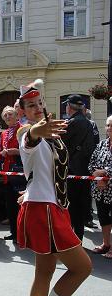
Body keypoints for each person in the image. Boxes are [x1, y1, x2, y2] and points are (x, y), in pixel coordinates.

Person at [16, 82, 92, 296]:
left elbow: (41, 171)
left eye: (39, 103)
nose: (37, 108)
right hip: (44, 209)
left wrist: (29, 188)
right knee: (83, 267)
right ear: (23, 111)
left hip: (51, 205)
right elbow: (30, 140)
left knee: (45, 270)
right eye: (30, 105)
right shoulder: (27, 132)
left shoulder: (54, 135)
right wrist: (37, 129)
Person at [61, 94, 95, 242]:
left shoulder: (71, 123)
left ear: (70, 107)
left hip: (72, 170)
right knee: (81, 207)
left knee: (72, 207)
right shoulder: (88, 123)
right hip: (84, 170)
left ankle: (73, 240)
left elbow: (61, 144)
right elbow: (90, 147)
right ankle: (78, 238)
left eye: (66, 105)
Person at [0, 106, 26, 243]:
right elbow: (2, 150)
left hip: (20, 172)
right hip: (7, 172)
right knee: (10, 205)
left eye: (10, 114)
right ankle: (13, 232)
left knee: (21, 205)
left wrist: (15, 151)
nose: (8, 117)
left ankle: (23, 234)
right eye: (6, 115)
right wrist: (2, 153)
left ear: (17, 116)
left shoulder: (23, 130)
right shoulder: (4, 133)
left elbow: (29, 150)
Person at [88, 115, 112, 258]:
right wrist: (98, 177)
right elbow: (91, 163)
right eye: (108, 125)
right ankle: (106, 244)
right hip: (100, 188)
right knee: (103, 217)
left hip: (110, 187)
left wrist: (105, 173)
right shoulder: (102, 144)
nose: (109, 128)